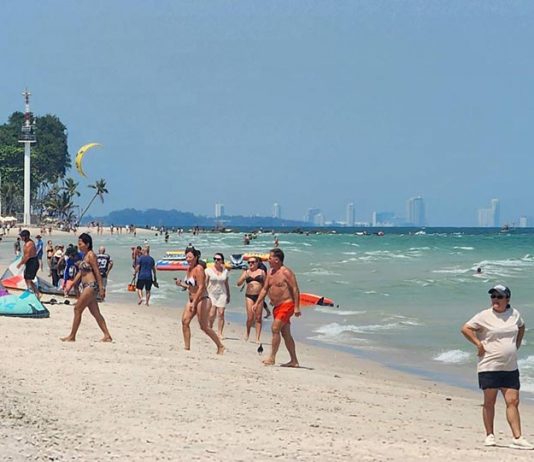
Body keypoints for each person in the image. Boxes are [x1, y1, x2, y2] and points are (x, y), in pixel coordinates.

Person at [461, 285, 532, 450]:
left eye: (499, 297)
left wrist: (517, 343)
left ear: (507, 299)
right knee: (489, 402)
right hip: (489, 365)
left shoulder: (514, 314)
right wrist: (478, 344)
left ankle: (517, 438)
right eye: (493, 296)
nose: (495, 300)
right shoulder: (484, 315)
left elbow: (521, 326)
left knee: (513, 401)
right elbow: (465, 329)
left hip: (510, 366)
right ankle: (489, 435)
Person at [253, 248, 301, 367]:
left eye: (270, 258)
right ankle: (294, 360)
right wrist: (257, 303)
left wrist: (297, 307)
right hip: (277, 306)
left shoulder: (286, 272)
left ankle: (272, 358)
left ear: (277, 260)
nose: (268, 260)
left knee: (275, 328)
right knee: (285, 333)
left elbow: (295, 289)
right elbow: (265, 289)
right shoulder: (270, 272)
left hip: (287, 304)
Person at [61, 233, 112, 342]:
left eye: (81, 244)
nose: (79, 246)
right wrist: (71, 285)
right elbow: (80, 273)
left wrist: (101, 288)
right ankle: (107, 335)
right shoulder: (85, 256)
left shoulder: (91, 255)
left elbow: (97, 272)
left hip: (91, 286)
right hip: (86, 287)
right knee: (96, 313)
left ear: (87, 244)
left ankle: (72, 336)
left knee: (77, 309)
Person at [176, 246, 224, 354]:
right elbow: (192, 286)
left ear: (196, 257)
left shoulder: (199, 269)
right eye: (186, 257)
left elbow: (201, 287)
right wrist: (181, 284)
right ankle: (187, 348)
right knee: (185, 321)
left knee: (204, 327)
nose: (188, 259)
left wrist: (195, 302)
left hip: (202, 300)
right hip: (191, 299)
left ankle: (220, 346)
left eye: (190, 257)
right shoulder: (189, 269)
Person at [237, 257, 268, 342]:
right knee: (250, 317)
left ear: (257, 263)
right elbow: (238, 283)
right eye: (249, 262)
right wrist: (243, 278)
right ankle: (247, 333)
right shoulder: (246, 272)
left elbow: (266, 286)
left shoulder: (262, 272)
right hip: (249, 296)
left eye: (253, 262)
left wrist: (270, 297)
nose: (250, 264)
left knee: (258, 317)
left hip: (259, 296)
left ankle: (257, 338)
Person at [205, 253, 230, 339]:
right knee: (212, 314)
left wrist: (228, 295)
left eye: (218, 259)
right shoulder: (208, 270)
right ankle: (210, 328)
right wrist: (204, 294)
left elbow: (226, 284)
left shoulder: (225, 271)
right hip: (211, 294)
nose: (216, 260)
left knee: (221, 313)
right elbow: (205, 283)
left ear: (222, 261)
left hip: (222, 294)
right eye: (214, 259)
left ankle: (220, 333)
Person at [16, 230, 40, 298]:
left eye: (22, 236)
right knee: (27, 278)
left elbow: (27, 256)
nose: (21, 237)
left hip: (32, 262)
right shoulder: (26, 243)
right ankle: (36, 293)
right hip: (29, 262)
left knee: (28, 279)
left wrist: (20, 264)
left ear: (26, 236)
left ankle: (34, 294)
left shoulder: (29, 244)